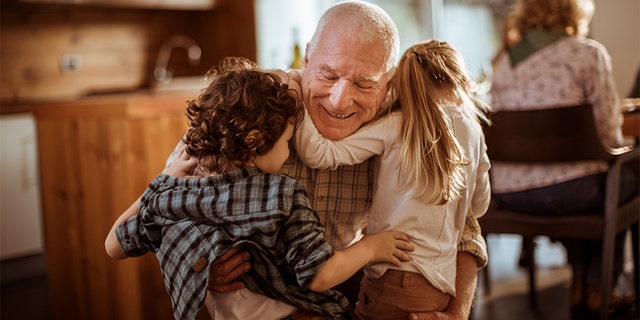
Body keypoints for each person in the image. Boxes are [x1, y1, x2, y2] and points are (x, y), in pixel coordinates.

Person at [104, 57, 414, 320]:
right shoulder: (281, 195)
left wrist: (162, 183)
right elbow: (319, 275)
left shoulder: (177, 190)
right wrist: (372, 246)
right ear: (255, 141)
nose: (289, 151)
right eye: (287, 140)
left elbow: (113, 246)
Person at [293, 40, 492, 319]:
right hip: (441, 282)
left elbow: (318, 153)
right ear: (459, 77)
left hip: (393, 274)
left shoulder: (397, 124)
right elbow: (479, 206)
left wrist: (294, 96)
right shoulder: (474, 131)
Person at [488, 0, 638, 316]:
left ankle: (585, 285)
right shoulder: (587, 53)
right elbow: (608, 134)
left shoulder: (504, 63)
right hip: (567, 193)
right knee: (625, 176)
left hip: (508, 194)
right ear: (574, 12)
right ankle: (599, 286)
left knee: (592, 184)